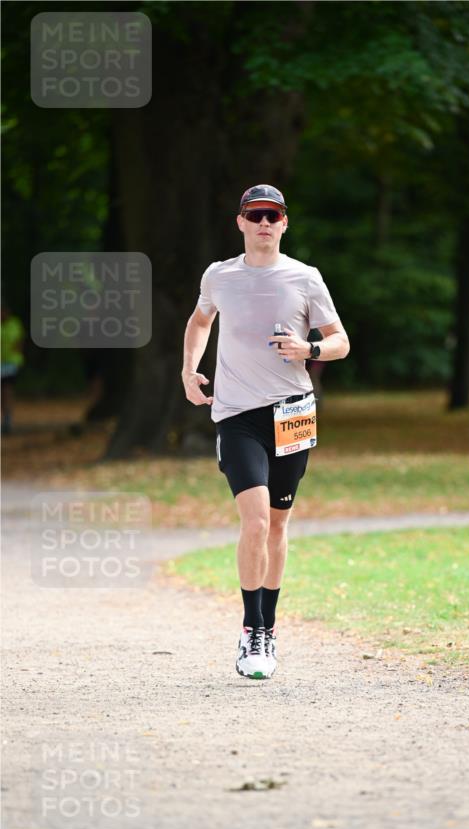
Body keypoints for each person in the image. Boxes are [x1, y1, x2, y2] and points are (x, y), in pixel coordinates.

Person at [181, 184, 350, 679]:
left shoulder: (305, 277)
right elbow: (199, 322)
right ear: (240, 222)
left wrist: (308, 349)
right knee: (254, 521)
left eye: (272, 216)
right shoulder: (220, 275)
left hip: (292, 412)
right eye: (254, 215)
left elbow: (340, 341)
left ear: (284, 223)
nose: (263, 223)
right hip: (237, 414)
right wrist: (189, 370)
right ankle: (251, 629)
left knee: (277, 524)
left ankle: (269, 627)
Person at [1, 304, 25, 434]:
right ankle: (5, 418)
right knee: (3, 393)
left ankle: (8, 419)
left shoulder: (14, 324)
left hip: (11, 363)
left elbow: (19, 342)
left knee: (7, 390)